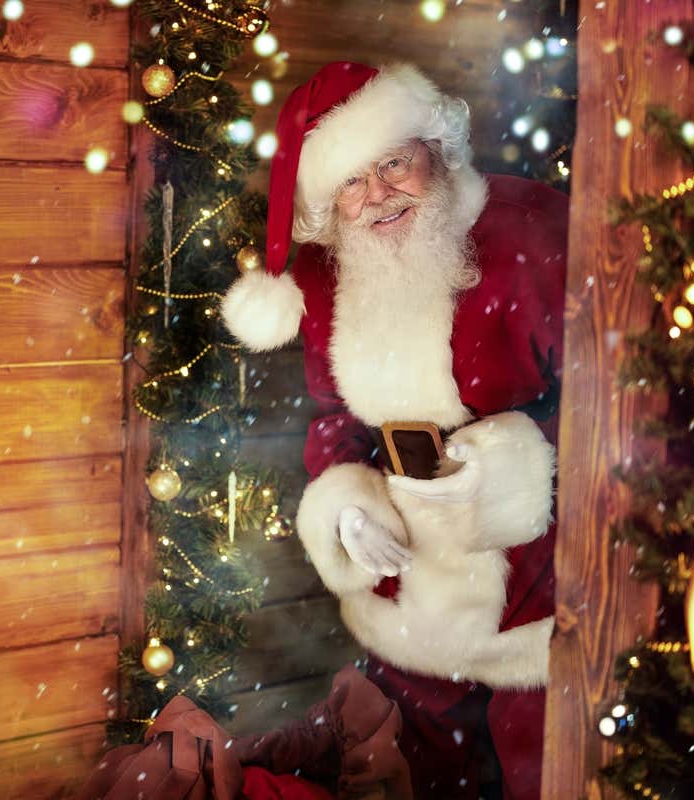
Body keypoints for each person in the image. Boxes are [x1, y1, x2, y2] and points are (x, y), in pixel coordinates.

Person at [221, 62, 568, 800]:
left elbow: (613, 400)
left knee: (541, 762)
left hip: (538, 577)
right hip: (409, 580)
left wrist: (516, 467)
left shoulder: (530, 229)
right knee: (416, 767)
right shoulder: (329, 277)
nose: (376, 195)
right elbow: (336, 421)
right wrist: (346, 507)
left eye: (392, 164)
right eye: (351, 180)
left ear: (434, 152)